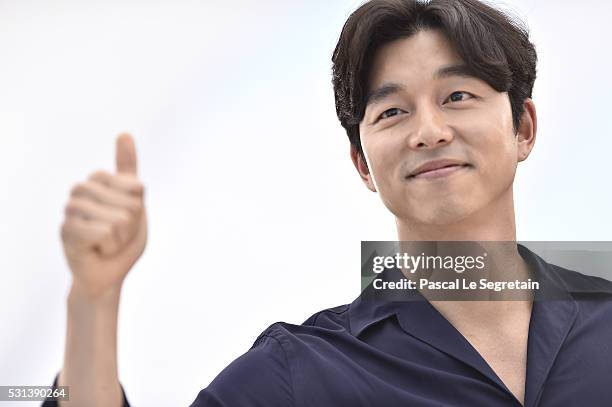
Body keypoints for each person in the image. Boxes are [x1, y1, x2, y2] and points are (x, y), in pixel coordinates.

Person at [44, 0, 612, 406]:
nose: (429, 131)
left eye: (457, 96)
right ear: (363, 163)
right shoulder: (299, 375)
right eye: (392, 111)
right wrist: (93, 299)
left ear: (524, 127)